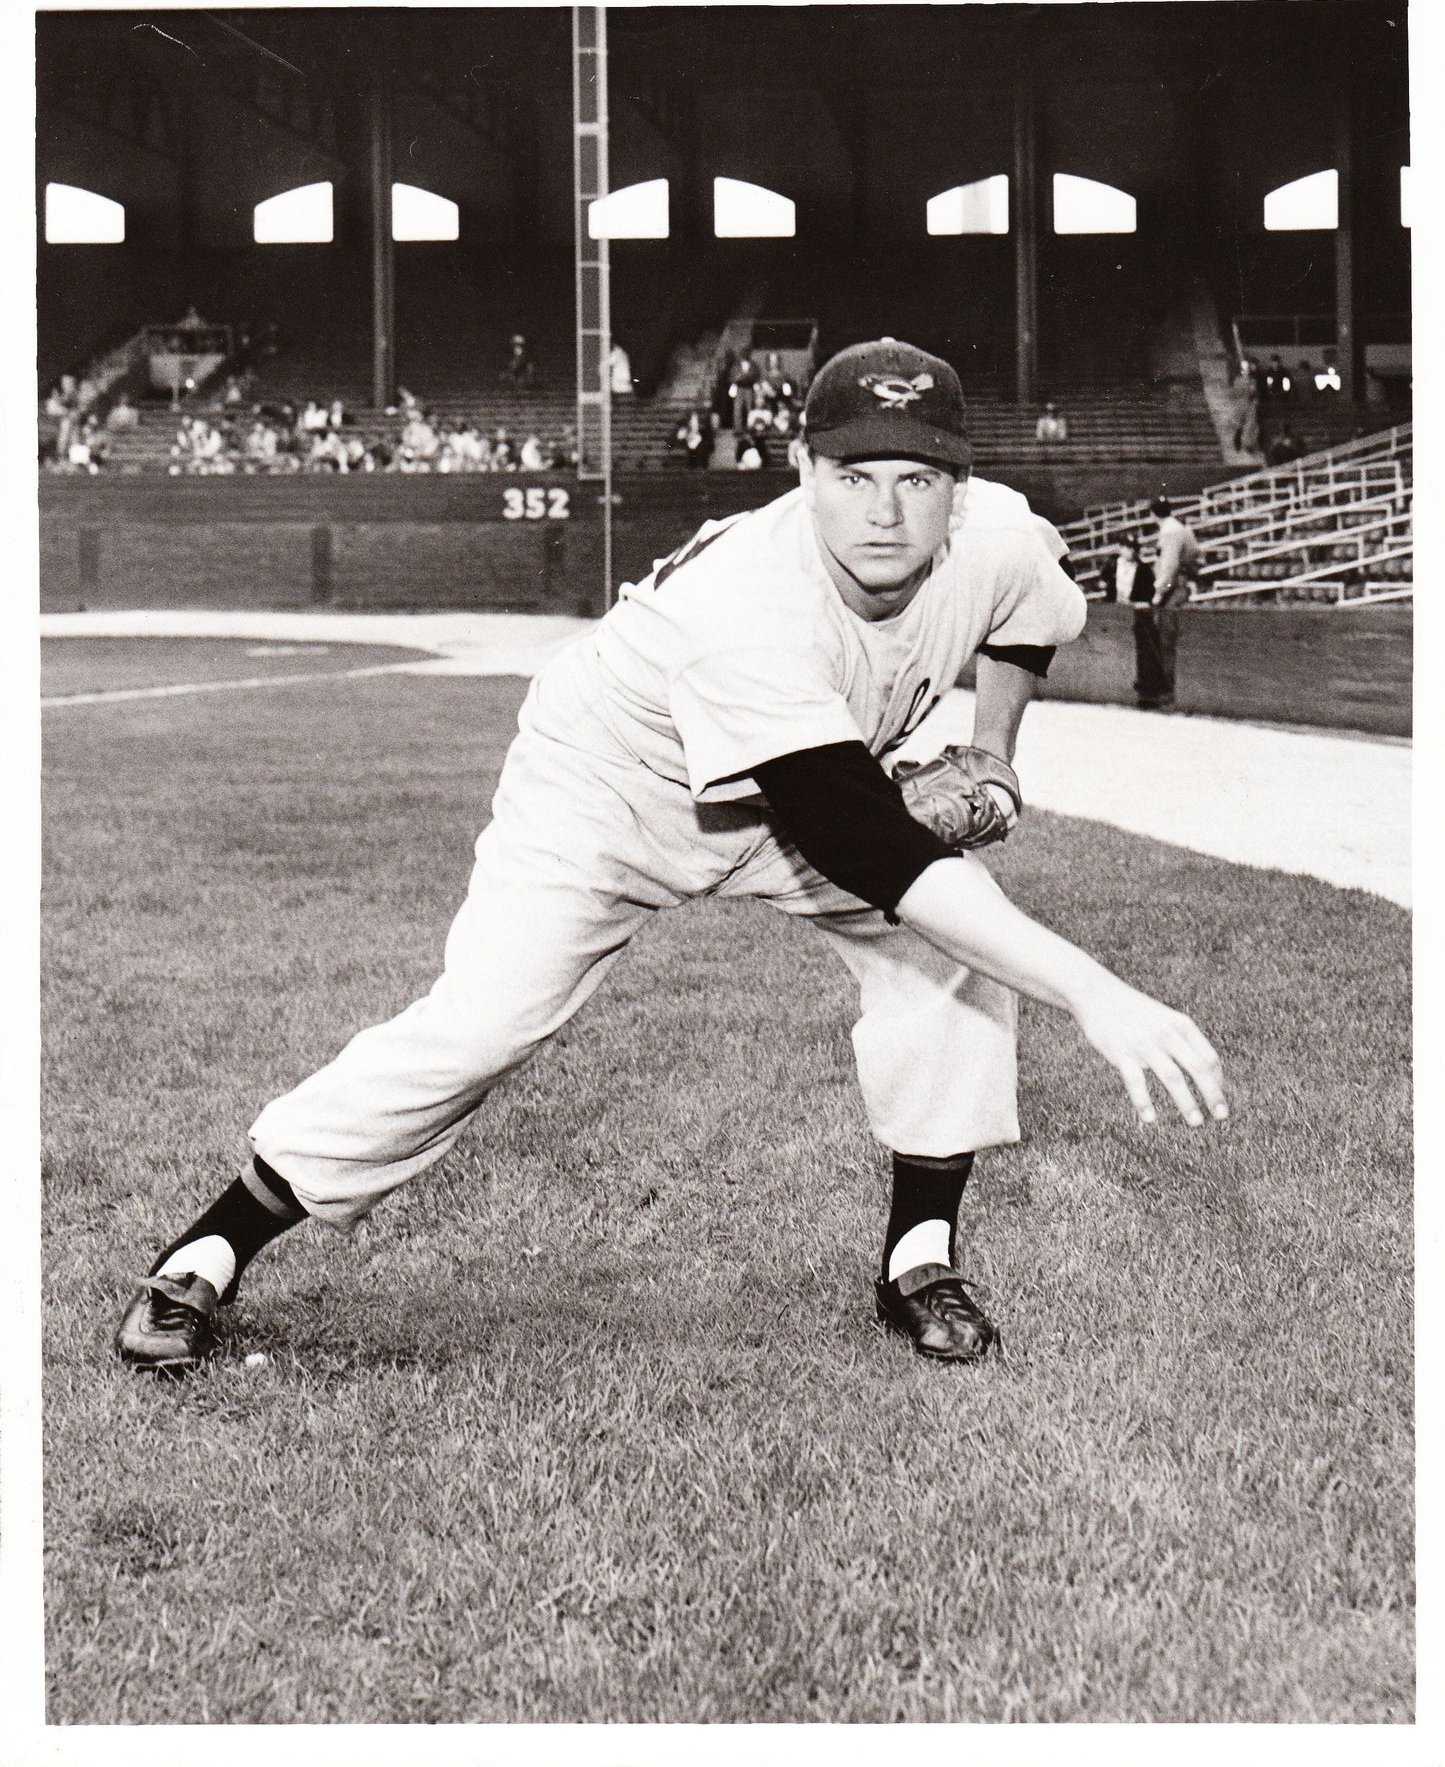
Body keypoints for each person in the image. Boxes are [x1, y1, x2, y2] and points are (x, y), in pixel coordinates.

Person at [114, 338, 1227, 1374]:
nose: (886, 510)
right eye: (852, 474)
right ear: (799, 468)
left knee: (948, 965)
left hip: (802, 785)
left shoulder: (996, 537)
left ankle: (916, 1258)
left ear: (960, 484)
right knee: (485, 1022)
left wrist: (989, 749)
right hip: (607, 790)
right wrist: (1095, 991)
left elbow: (1029, 618)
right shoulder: (743, 604)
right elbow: (860, 839)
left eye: (917, 478)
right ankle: (211, 1247)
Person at [1132, 497, 1200, 711]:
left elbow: (1169, 567)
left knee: (1166, 640)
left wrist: (1158, 595)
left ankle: (1167, 693)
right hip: (1178, 584)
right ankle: (1165, 691)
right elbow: (1193, 555)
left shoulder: (1170, 532)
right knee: (1166, 639)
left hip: (1172, 589)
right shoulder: (1179, 528)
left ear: (1152, 513)